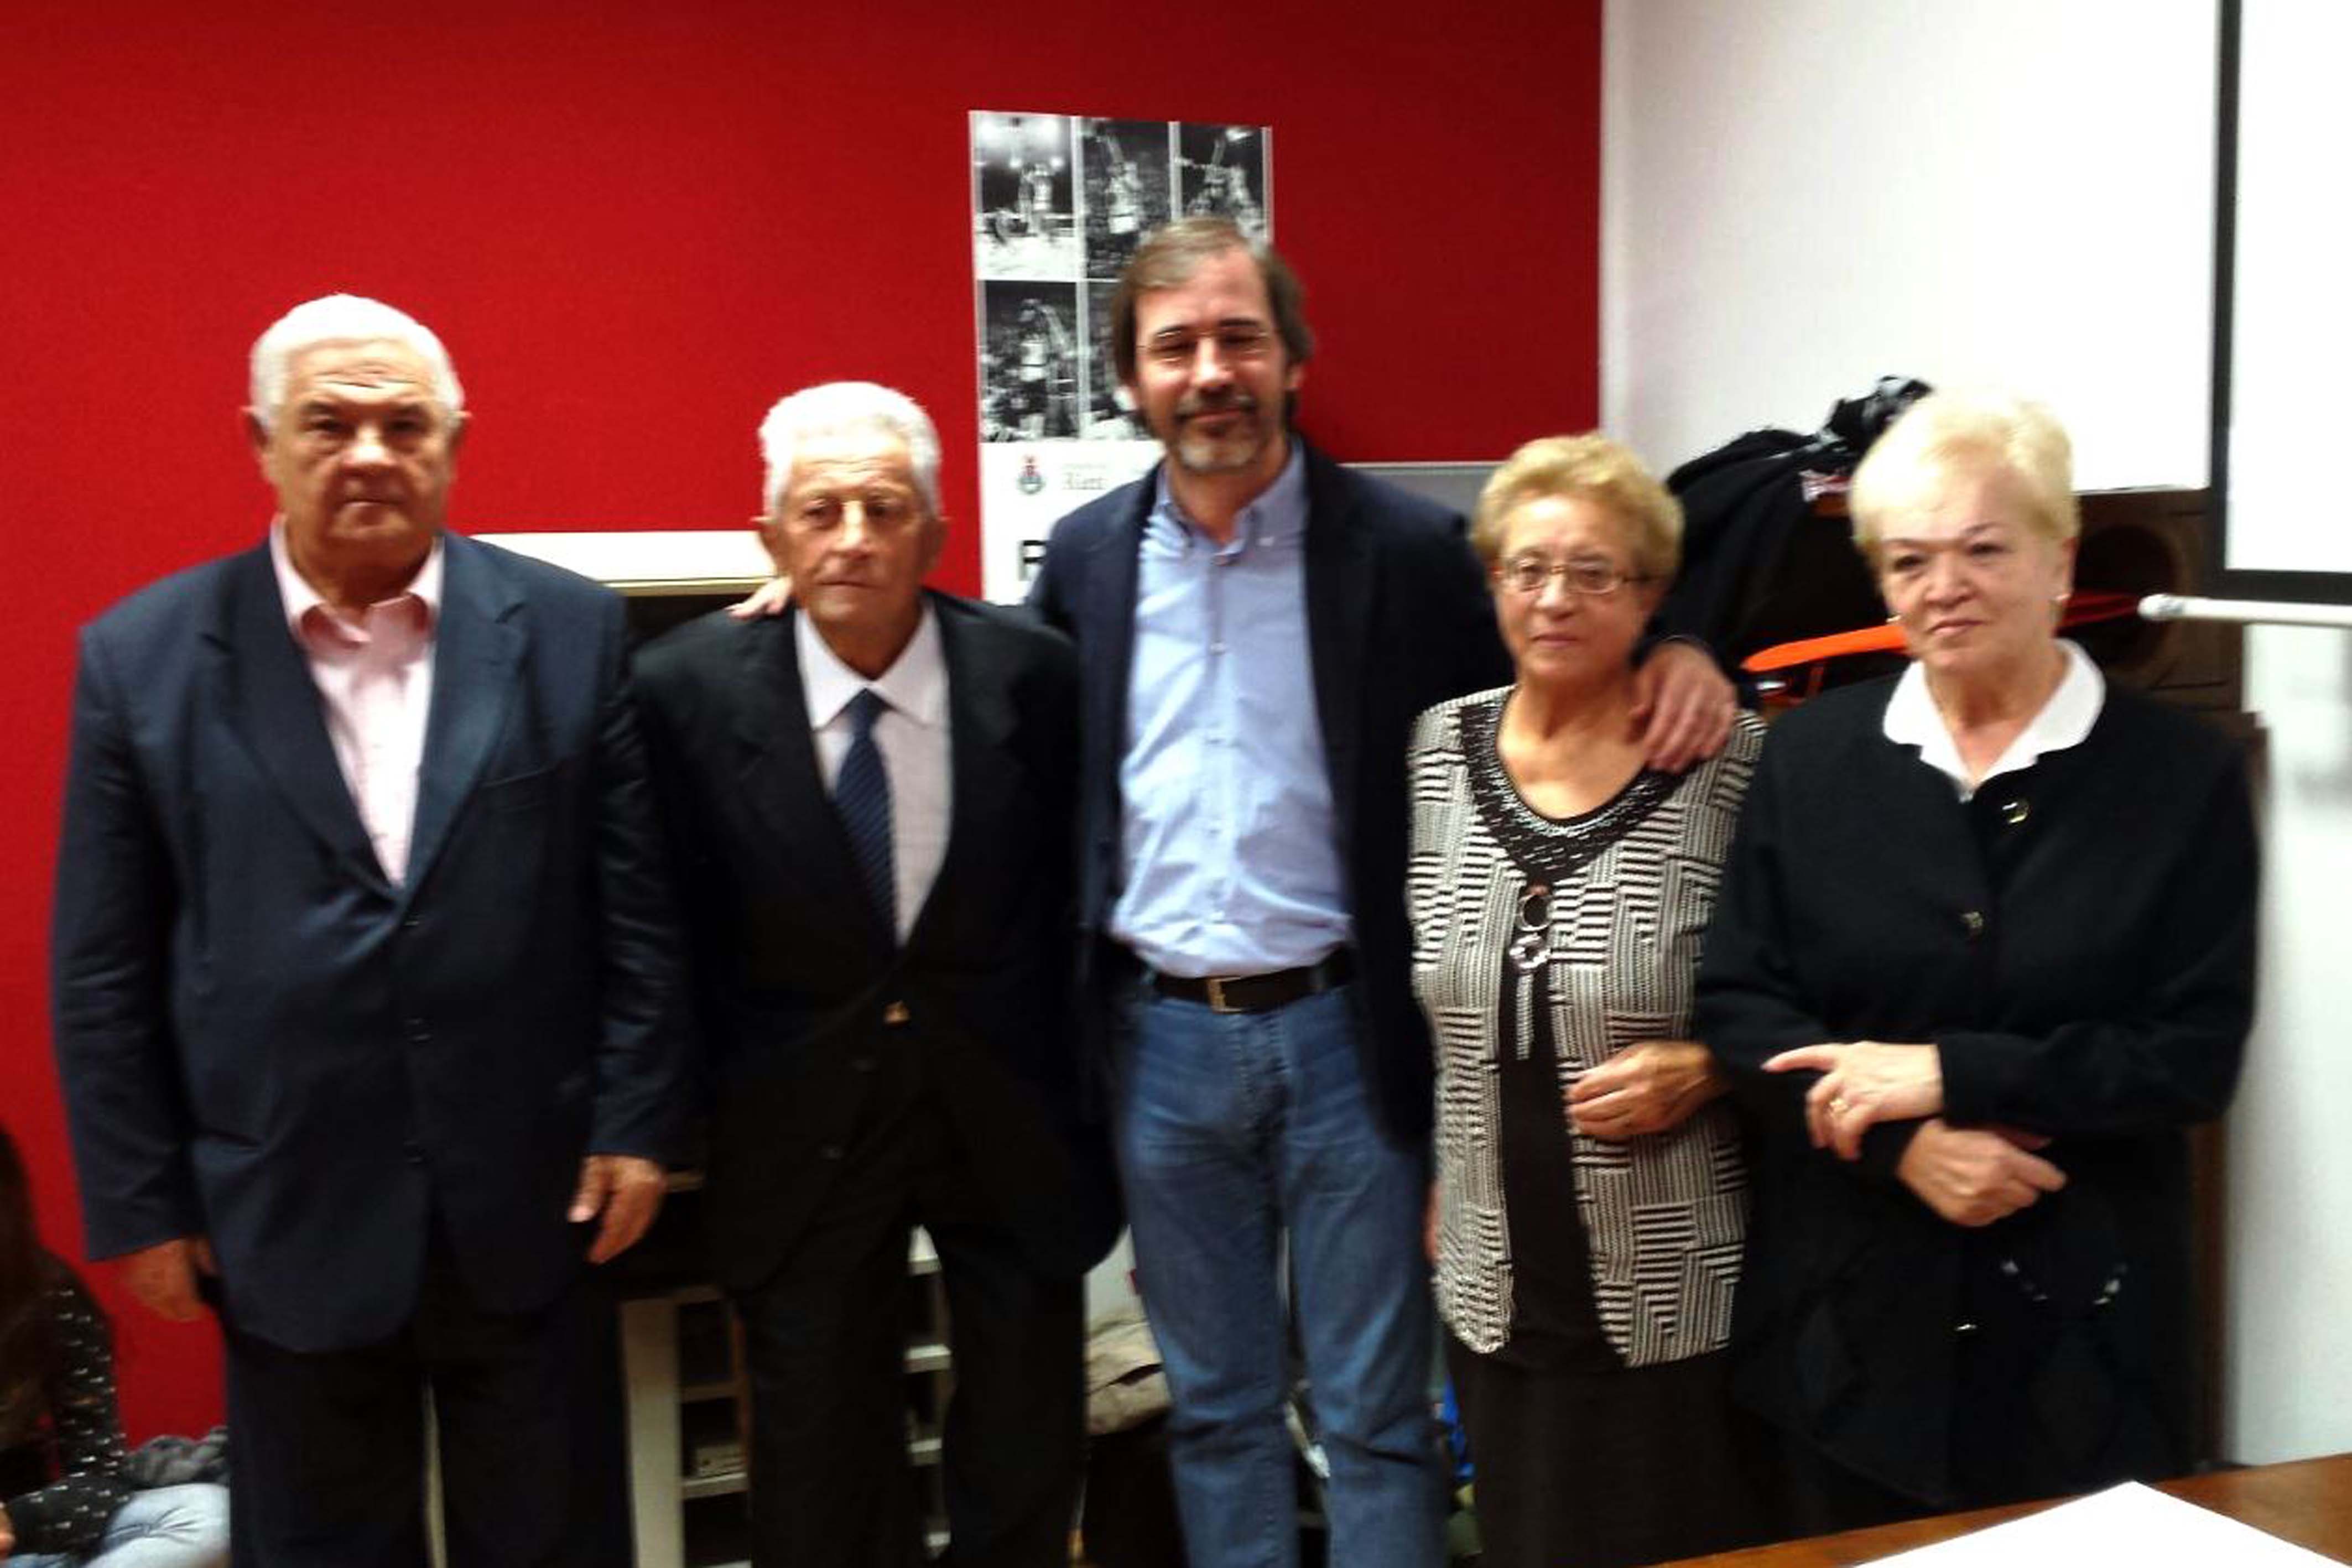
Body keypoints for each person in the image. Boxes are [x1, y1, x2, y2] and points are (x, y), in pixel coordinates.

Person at [1025, 216, 1736, 1568]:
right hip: (1159, 1043)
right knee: (1215, 1413)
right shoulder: (1085, 561)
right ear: (1129, 377)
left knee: (1374, 1416)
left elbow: (1560, 628)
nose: (1210, 371)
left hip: (1347, 1038)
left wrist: (1688, 643)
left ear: (1292, 360)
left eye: (1239, 338)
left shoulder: (1408, 550)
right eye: (1175, 346)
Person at [49, 294, 688, 1567]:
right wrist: (141, 1201)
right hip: (285, 1208)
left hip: (532, 1198)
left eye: (404, 425)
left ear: (455, 441)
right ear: (261, 442)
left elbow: (638, 907)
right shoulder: (143, 659)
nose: (370, 455)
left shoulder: (569, 631)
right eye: (329, 424)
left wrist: (637, 1120)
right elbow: (104, 961)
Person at [1695, 390, 2257, 1528]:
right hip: (1846, 1339)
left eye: (1981, 550)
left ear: (2058, 562)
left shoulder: (2178, 775)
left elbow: (2188, 1058)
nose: (1942, 585)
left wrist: (1948, 1074)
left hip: (2084, 1345)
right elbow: (1741, 1008)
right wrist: (1900, 1145)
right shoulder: (1807, 757)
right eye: (1908, 559)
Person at [637, 383, 1119, 1567]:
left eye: (884, 508)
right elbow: (658, 919)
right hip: (797, 1122)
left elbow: (1080, 883)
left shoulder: (1033, 675)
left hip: (1004, 1114)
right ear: (770, 536)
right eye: (820, 511)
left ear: (934, 533)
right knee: (816, 1465)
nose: (852, 537)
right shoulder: (682, 691)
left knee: (1024, 1442)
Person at [1407, 435, 1777, 1568]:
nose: (1554, 598)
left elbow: (1810, 985)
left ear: (1652, 595)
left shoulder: (1726, 759)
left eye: (1592, 572)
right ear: (1492, 581)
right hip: (1490, 1269)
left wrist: (1712, 1063)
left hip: (1670, 1279)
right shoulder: (1437, 748)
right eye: (1526, 569)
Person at [1, 1126, 228, 1568]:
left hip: (27, 1547)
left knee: (209, 1517)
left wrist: (14, 1519)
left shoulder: (46, 1294)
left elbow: (99, 1477)